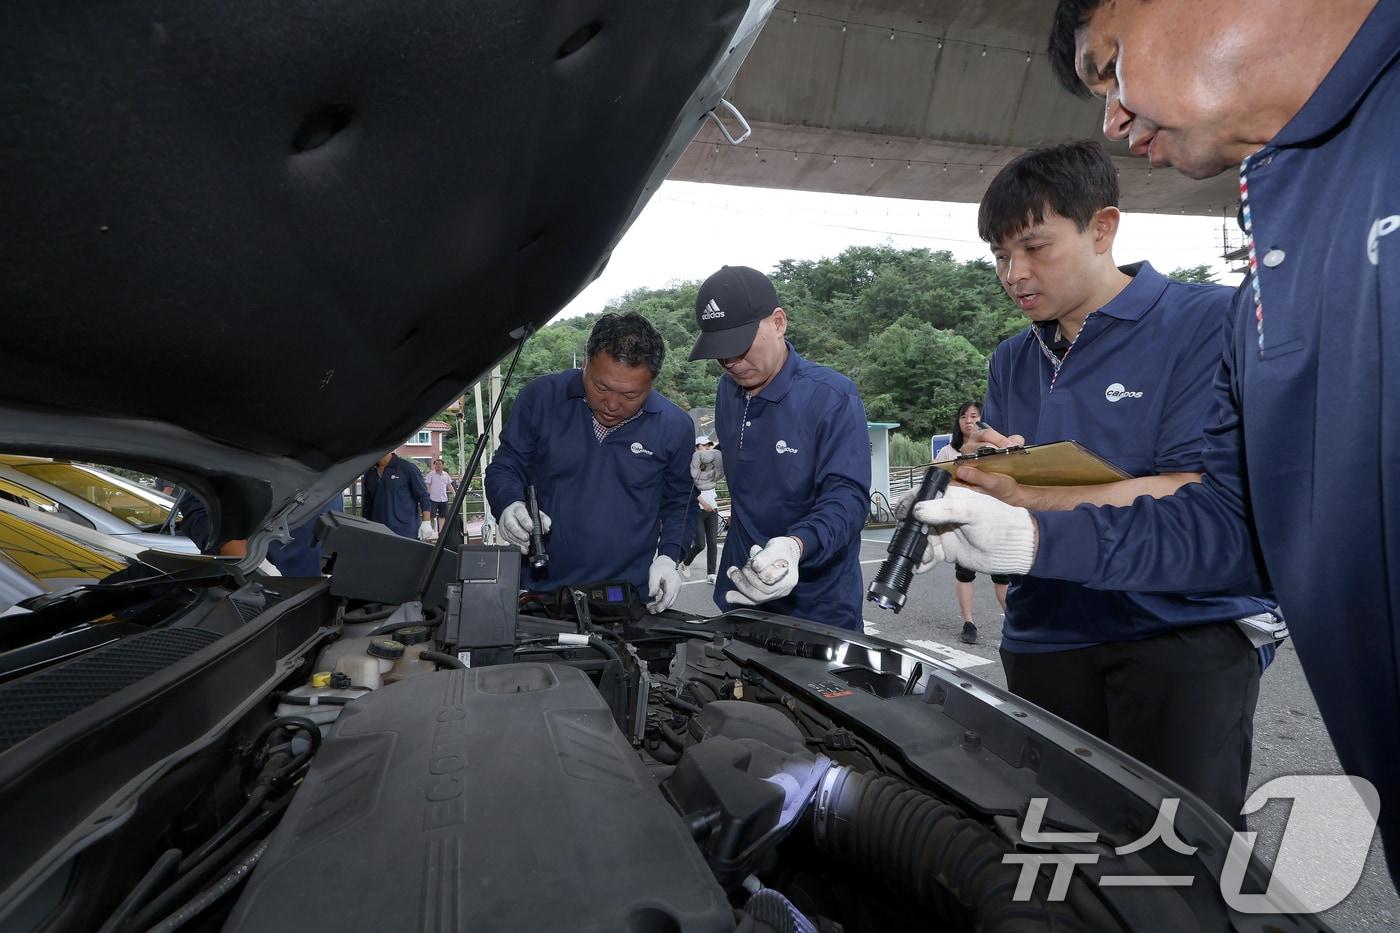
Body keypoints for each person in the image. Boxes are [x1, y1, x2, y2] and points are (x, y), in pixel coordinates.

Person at [912, 0, 1399, 874]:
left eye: (1032, 247)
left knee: (1176, 865)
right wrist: (993, 477)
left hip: (1177, 635)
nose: (1013, 274)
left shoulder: (1212, 321)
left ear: (1103, 228)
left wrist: (1035, 504)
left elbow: (1210, 497)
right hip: (1047, 632)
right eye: (998, 256)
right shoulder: (1009, 362)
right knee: (1057, 853)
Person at [688, 265, 870, 632]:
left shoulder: (831, 396)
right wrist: (721, 458)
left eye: (739, 346)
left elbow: (848, 499)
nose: (731, 364)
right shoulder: (728, 390)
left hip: (817, 605)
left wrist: (795, 546)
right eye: (720, 354)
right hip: (742, 593)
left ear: (778, 322)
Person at [485, 312, 692, 613]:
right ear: (585, 362)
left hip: (626, 598)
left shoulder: (675, 426)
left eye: (630, 395)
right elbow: (506, 465)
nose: (611, 404)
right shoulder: (541, 398)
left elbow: (681, 504)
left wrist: (669, 556)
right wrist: (508, 504)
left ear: (651, 383)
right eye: (601, 387)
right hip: (541, 594)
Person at [935, 402, 1008, 645]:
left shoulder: (992, 448)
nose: (968, 420)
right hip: (963, 521)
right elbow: (934, 478)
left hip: (993, 519)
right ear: (958, 422)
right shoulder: (948, 451)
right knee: (965, 573)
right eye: (964, 416)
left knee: (1002, 575)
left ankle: (1014, 619)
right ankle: (968, 622)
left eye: (974, 416)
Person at [362, 451, 434, 541]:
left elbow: (423, 496)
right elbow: (367, 504)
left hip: (405, 531)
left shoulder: (407, 468)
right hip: (378, 531)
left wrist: (426, 522)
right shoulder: (369, 473)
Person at [682, 435, 722, 583]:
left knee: (712, 542)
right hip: (697, 509)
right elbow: (689, 489)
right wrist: (703, 503)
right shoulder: (691, 466)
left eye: (708, 446)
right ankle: (686, 562)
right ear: (696, 448)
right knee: (700, 544)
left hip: (713, 509)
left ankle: (711, 574)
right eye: (704, 446)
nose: (707, 448)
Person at [425, 457, 455, 535]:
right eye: (436, 464)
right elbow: (427, 485)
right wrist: (427, 495)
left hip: (443, 499)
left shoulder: (446, 474)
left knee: (443, 516)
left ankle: (441, 532)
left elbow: (449, 485)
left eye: (439, 464)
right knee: (431, 516)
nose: (438, 465)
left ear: (443, 465)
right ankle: (430, 530)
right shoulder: (430, 474)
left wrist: (454, 493)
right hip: (433, 499)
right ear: (434, 465)